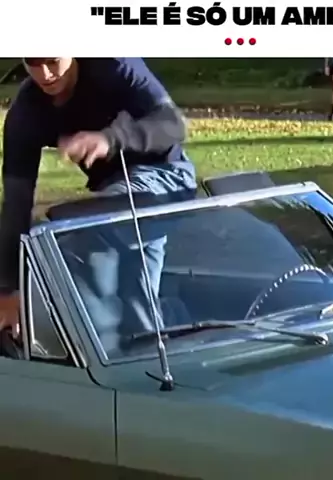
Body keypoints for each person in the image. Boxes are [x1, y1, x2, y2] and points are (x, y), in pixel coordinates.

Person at [0, 57, 197, 336]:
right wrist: (9, 289)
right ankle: (167, 330)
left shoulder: (114, 64)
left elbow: (174, 125)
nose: (44, 74)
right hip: (114, 193)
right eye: (32, 63)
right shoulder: (27, 111)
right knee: (137, 307)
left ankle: (100, 340)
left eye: (53, 61)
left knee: (78, 237)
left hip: (166, 178)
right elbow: (16, 204)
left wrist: (109, 139)